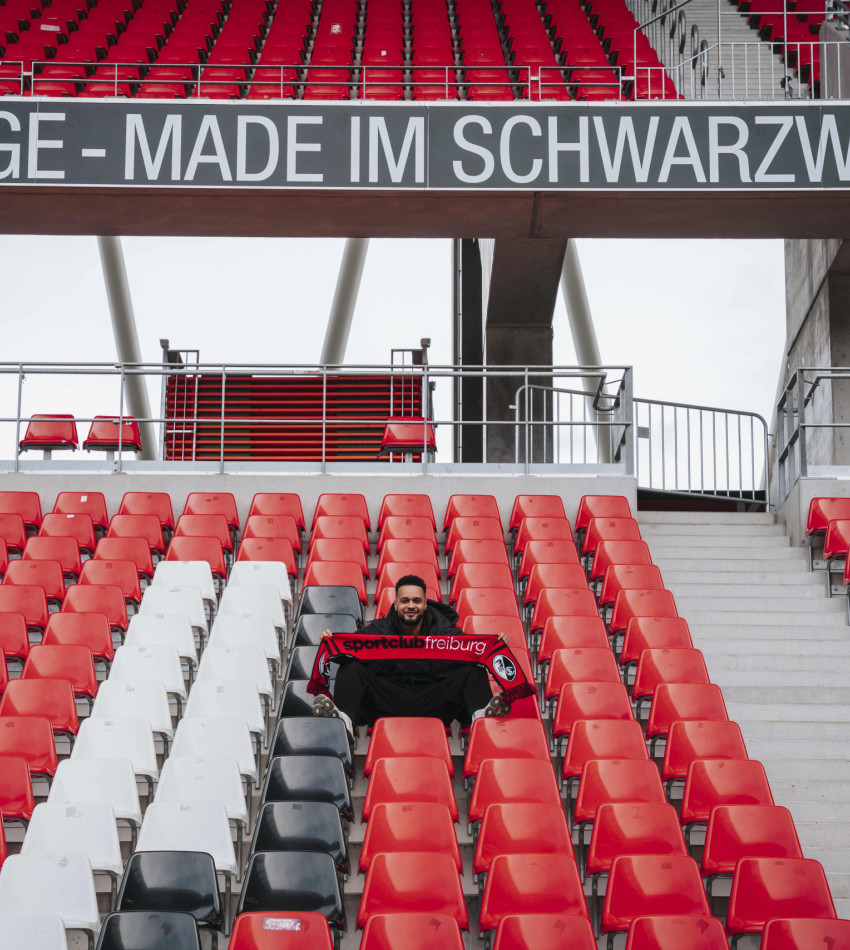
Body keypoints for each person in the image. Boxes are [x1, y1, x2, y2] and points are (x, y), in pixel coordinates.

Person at [312, 574, 511, 735]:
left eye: (416, 601)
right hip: (387, 700)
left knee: (472, 668)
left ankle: (481, 717)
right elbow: (348, 648)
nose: (410, 606)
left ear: (425, 604)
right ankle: (343, 719)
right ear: (396, 605)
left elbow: (471, 649)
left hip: (434, 700)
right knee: (351, 667)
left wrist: (493, 646)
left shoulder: (443, 632)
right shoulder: (380, 630)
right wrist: (330, 642)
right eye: (405, 600)